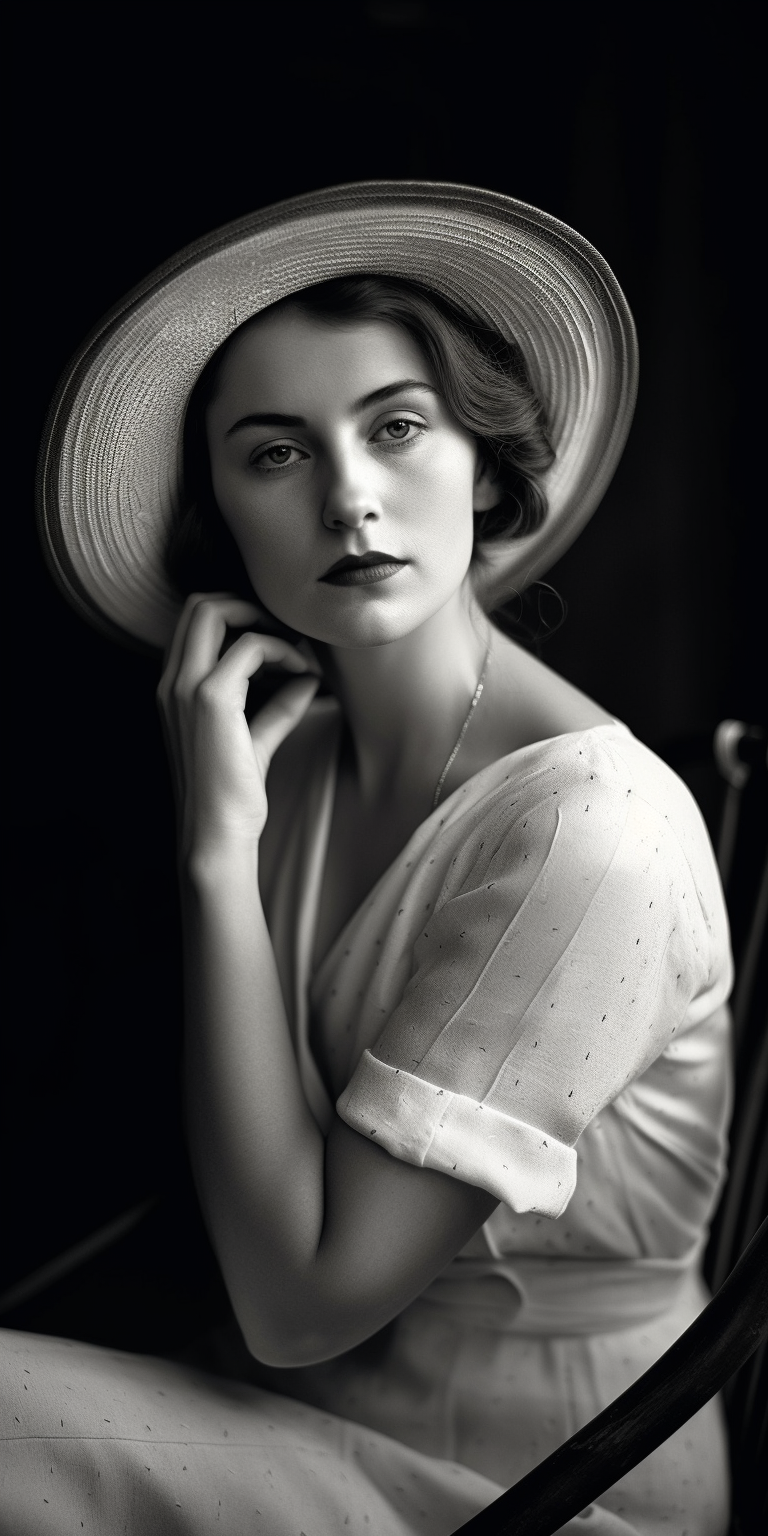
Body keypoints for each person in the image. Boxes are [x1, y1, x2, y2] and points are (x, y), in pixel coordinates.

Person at [3, 183, 732, 1535]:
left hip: (550, 1482)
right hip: (299, 1413)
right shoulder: (288, 759)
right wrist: (233, 819)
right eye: (274, 455)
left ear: (486, 461)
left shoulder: (591, 829)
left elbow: (294, 1303)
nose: (350, 499)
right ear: (215, 520)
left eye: (397, 430)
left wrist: (217, 859)